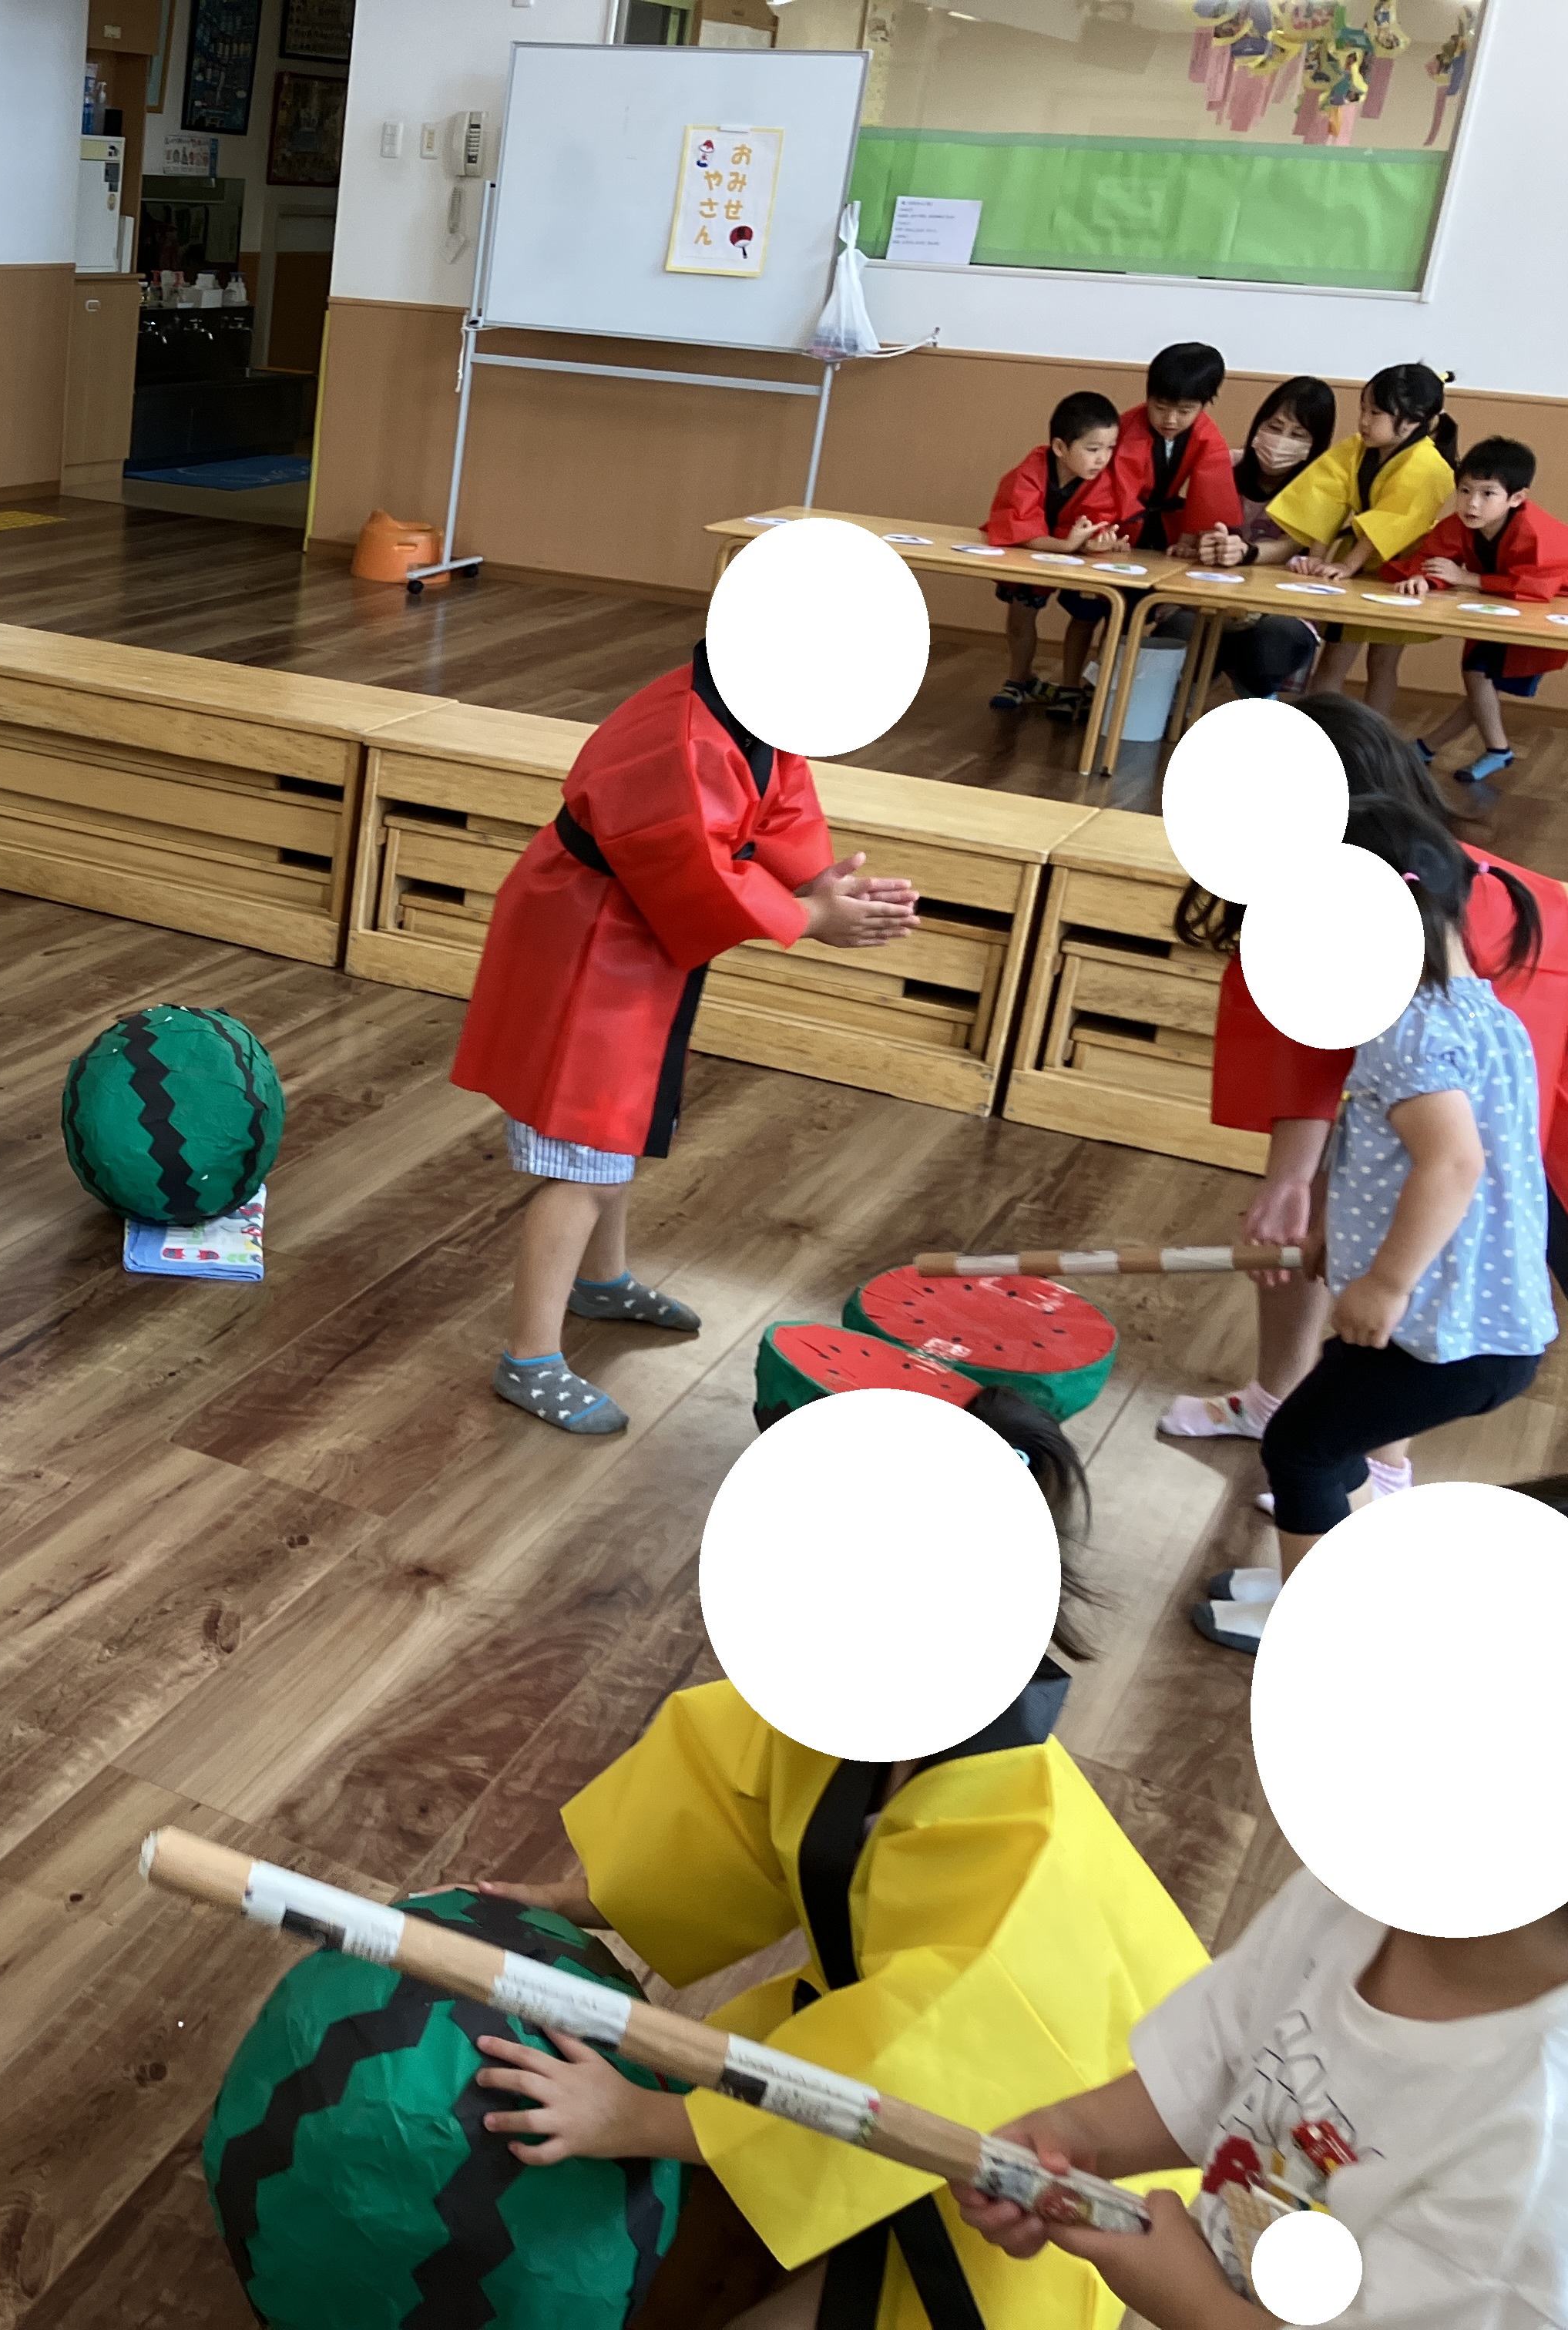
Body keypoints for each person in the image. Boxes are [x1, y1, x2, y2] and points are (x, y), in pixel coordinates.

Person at [459, 1392, 1210, 2330]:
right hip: (884, 2071)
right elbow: (731, 1816)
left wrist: (637, 2120)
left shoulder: (1011, 1853)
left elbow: (909, 2068)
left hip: (1023, 2163)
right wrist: (571, 1902)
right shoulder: (854, 1718)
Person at [448, 643, 918, 1435]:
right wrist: (811, 917)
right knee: (583, 1155)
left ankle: (601, 1281)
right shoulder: (688, 733)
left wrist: (815, 884)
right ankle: (529, 1357)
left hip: (630, 937)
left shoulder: (746, 708)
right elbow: (691, 865)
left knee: (619, 1127)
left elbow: (782, 805)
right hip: (590, 941)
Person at [1163, 697, 1568, 1482]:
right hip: (1428, 1105)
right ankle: (1279, 1399)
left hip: (1490, 1133)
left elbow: (1471, 1152)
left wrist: (1378, 1269)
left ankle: (1379, 1459)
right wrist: (1294, 1179)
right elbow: (1305, 1040)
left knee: (1426, 1231)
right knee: (1324, 1211)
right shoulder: (1340, 897)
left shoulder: (1472, 913)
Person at [1205, 769, 1556, 1652]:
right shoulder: (1480, 1012)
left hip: (1439, 1334)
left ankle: (1314, 1626)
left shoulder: (1405, 1030)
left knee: (1300, 1448)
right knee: (1334, 1441)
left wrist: (1385, 1283)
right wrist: (1334, 1235)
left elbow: (1454, 1162)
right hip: (1487, 1326)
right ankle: (1330, 1577)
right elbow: (1417, 1160)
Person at [954, 1866, 1568, 2330]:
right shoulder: (1340, 1905)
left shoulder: (1531, 2154)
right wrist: (1075, 2133)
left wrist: (1195, 2307)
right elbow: (1209, 2065)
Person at [1271, 363, 1459, 713]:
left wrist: (1347, 565)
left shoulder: (1429, 465)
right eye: (1363, 410)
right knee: (1335, 658)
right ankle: (1320, 732)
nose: (1364, 421)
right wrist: (1317, 557)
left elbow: (1391, 522)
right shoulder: (1356, 449)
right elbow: (1324, 498)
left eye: (1375, 413)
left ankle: (1374, 737)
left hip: (1402, 569)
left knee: (1382, 663)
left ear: (1412, 421)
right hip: (1358, 561)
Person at [1385, 435, 1564, 784]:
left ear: (1517, 498)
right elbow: (1433, 556)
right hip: (1506, 606)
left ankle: (1494, 748)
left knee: (1478, 676)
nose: (1473, 503)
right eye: (1465, 491)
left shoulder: (1534, 533)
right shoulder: (1461, 524)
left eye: (1487, 493)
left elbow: (1537, 585)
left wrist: (1469, 579)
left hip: (1544, 610)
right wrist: (1423, 579)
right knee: (1482, 682)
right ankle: (1430, 747)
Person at [984, 388, 1133, 718]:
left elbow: (1098, 525)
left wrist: (1096, 544)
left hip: (1076, 563)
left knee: (1085, 617)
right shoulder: (1029, 472)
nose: (1103, 459)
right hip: (1031, 555)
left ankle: (1071, 687)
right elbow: (1019, 527)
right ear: (1060, 448)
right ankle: (1019, 679)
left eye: (1110, 448)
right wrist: (1067, 545)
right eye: (1093, 449)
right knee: (1021, 616)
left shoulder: (1103, 483)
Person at [1192, 375, 1335, 701]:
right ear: (1259, 424)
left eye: (1298, 435)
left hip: (1281, 606)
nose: (1282, 441)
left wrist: (1246, 552)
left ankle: (1259, 705)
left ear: (1316, 444)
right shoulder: (1225, 465)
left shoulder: (1321, 486)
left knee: (1274, 638)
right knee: (1181, 628)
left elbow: (1294, 544)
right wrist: (1208, 542)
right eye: (1275, 427)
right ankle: (1176, 706)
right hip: (1215, 597)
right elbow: (1201, 524)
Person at [1105, 341, 1241, 557]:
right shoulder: (1127, 428)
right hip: (1118, 524)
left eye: (1185, 411)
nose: (1170, 420)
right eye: (1160, 408)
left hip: (1170, 526)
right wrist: (1107, 532)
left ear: (1204, 405)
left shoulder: (1207, 436)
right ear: (1148, 397)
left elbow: (1210, 494)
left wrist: (1188, 539)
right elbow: (1114, 489)